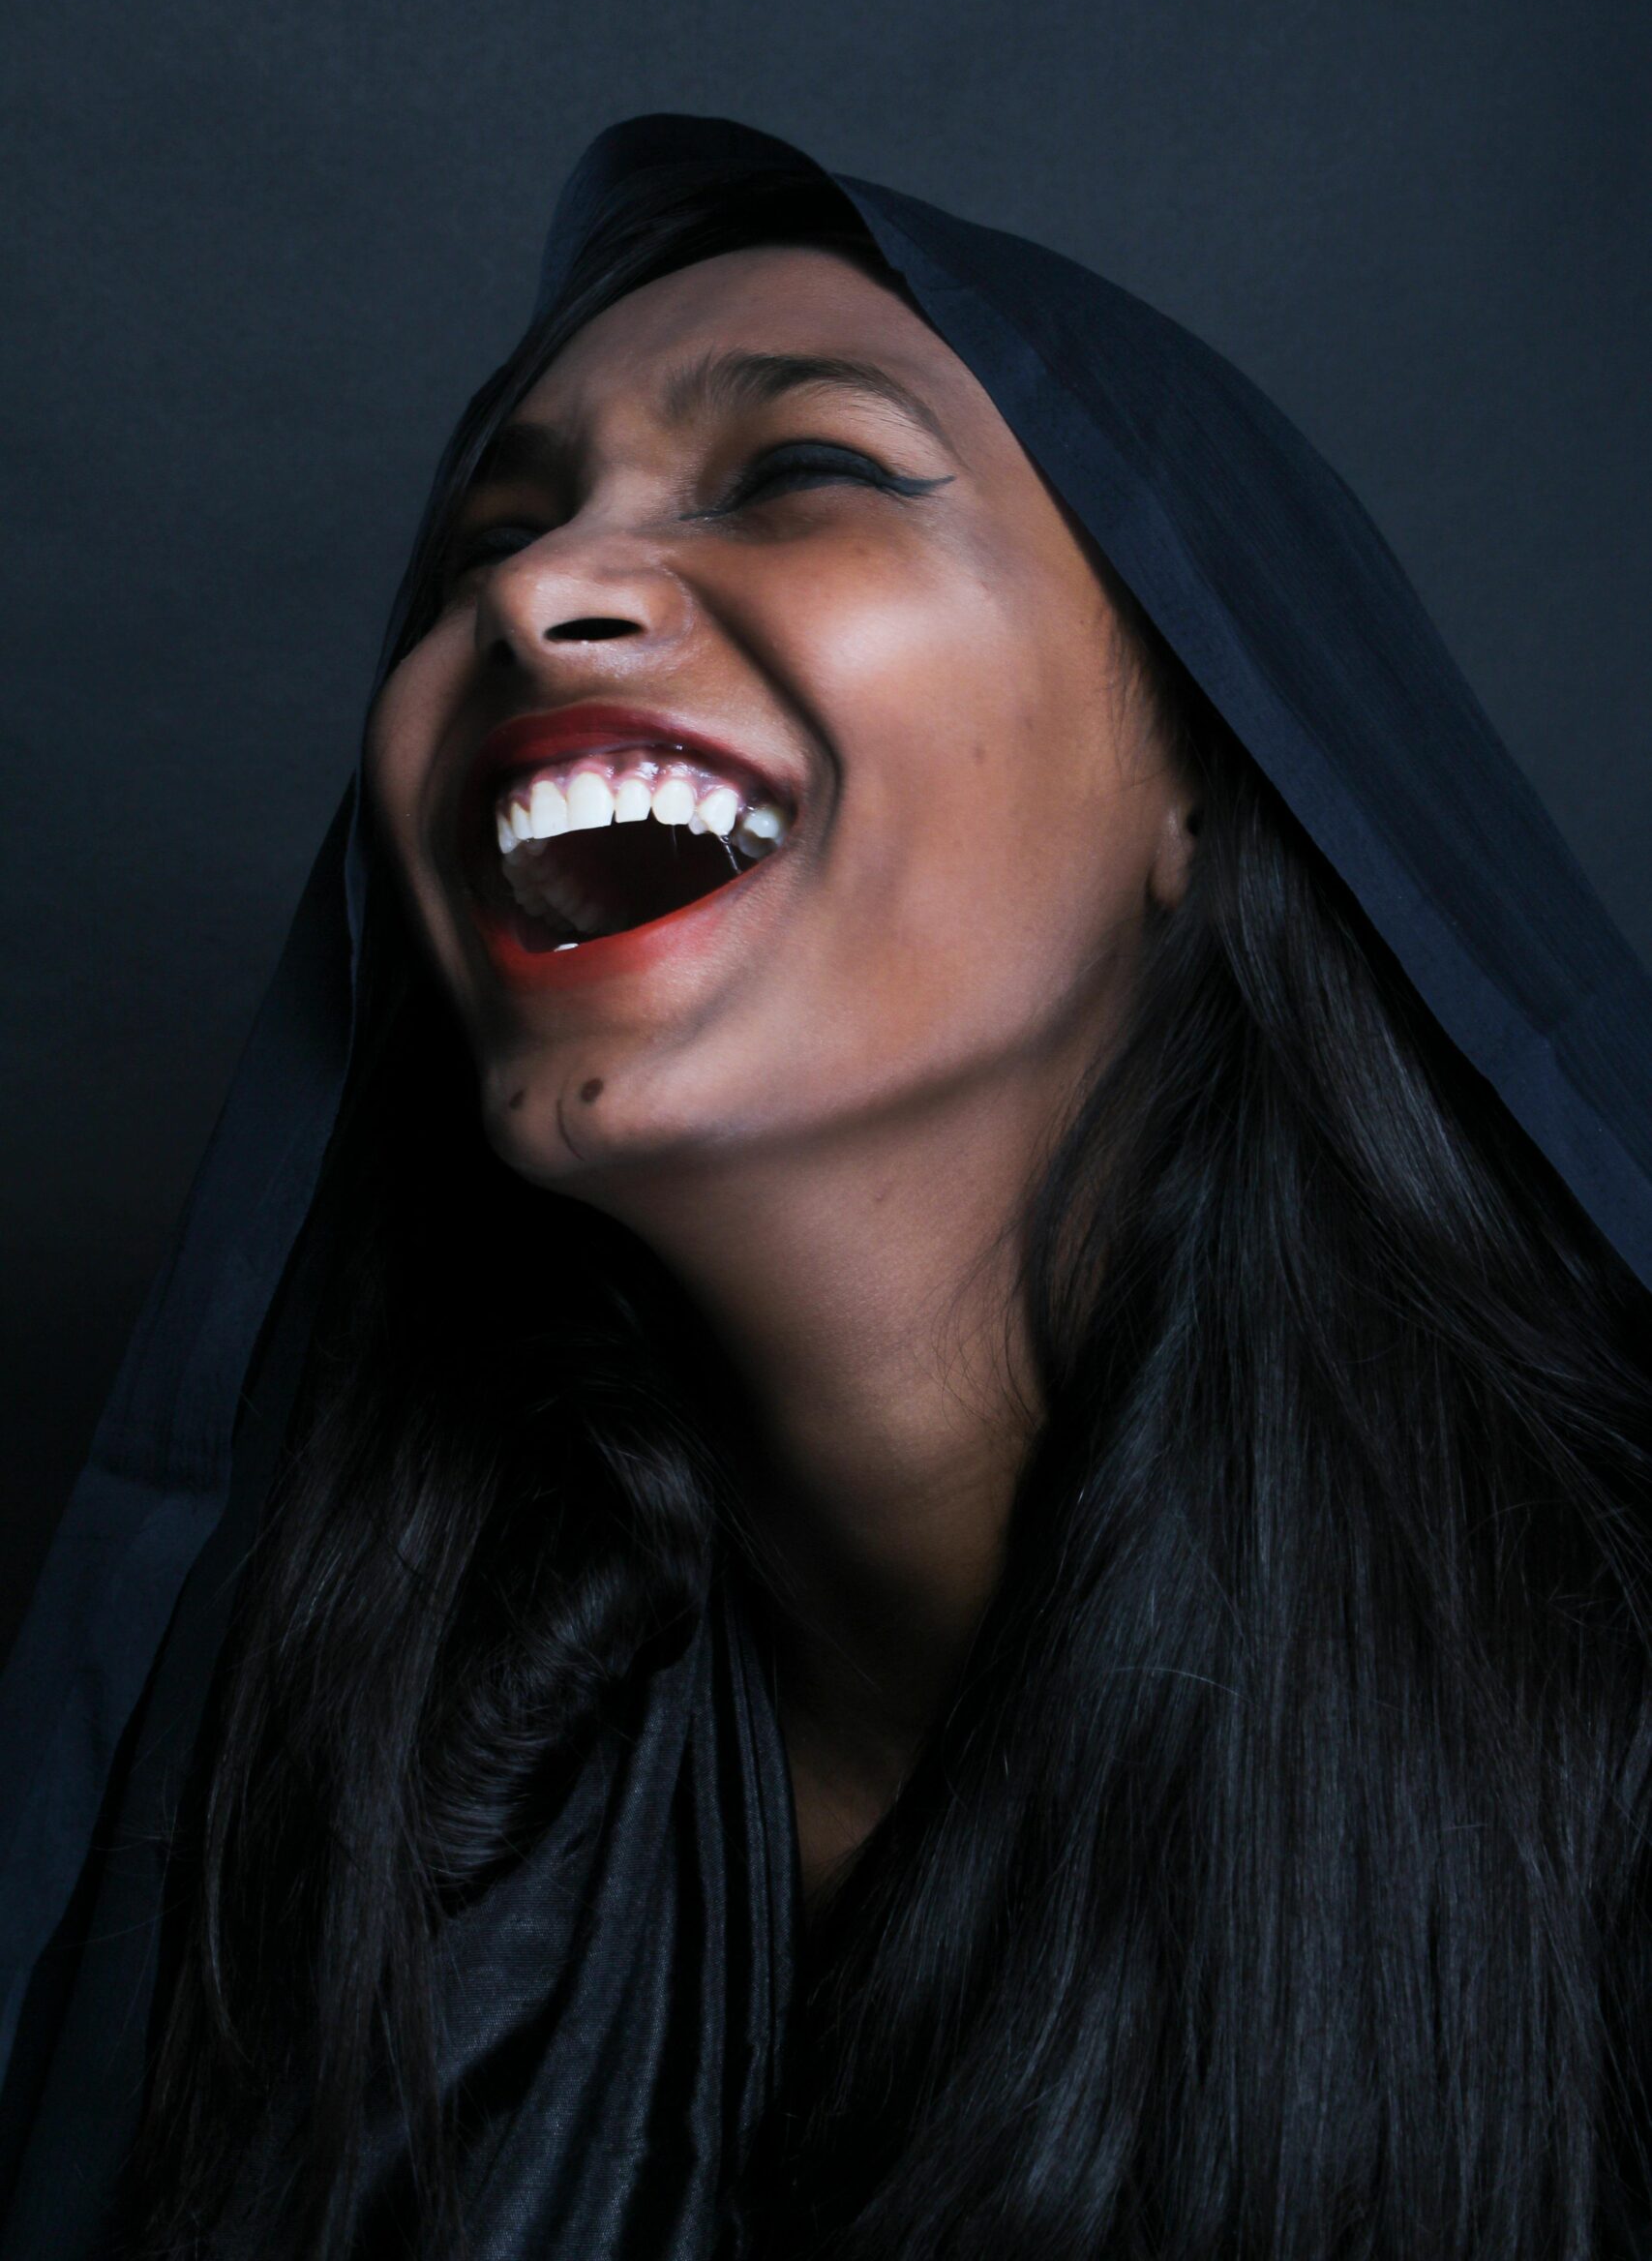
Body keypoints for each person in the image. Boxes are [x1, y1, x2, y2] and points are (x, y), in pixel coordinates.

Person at [2, 115, 1649, 2261]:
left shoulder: (1597, 1781)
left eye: (804, 471)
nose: (526, 585)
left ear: (1211, 765)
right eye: (490, 530)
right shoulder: (325, 1744)